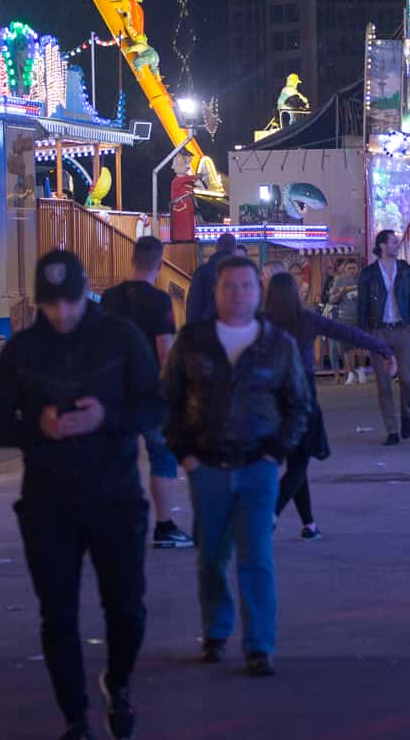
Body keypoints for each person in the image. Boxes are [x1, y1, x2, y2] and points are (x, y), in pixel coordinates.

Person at [0, 250, 162, 740]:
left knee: (127, 608)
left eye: (68, 302)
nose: (61, 313)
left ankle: (119, 681)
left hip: (116, 497)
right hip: (48, 503)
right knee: (58, 613)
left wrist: (105, 418)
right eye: (51, 304)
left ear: (83, 293)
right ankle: (75, 719)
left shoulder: (121, 338)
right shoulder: (22, 350)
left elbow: (153, 406)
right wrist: (37, 428)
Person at [164, 256, 311, 677]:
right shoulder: (192, 342)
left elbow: (299, 404)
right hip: (206, 466)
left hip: (258, 466)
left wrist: (277, 452)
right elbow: (169, 400)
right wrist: (185, 455)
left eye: (246, 286)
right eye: (229, 286)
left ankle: (258, 646)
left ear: (258, 291)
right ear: (216, 291)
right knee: (210, 556)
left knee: (256, 557)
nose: (238, 293)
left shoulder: (276, 345)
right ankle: (215, 633)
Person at [262, 273, 394, 543]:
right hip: (303, 395)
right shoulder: (306, 320)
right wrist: (383, 349)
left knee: (297, 460)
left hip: (272, 395)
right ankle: (270, 514)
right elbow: (349, 333)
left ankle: (309, 524)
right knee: (300, 461)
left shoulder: (262, 324)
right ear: (294, 294)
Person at [99, 235, 195, 551]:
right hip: (150, 390)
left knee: (117, 458)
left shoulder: (109, 299)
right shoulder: (159, 301)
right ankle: (165, 526)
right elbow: (165, 349)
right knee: (161, 457)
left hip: (114, 391)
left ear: (132, 259)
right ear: (159, 262)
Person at [356, 230, 410, 441]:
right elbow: (363, 307)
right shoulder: (368, 274)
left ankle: (406, 415)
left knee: (407, 379)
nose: (397, 244)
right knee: (383, 383)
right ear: (383, 246)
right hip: (379, 331)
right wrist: (362, 337)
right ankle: (392, 430)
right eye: (394, 242)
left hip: (402, 329)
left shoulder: (405, 270)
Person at [184, 232, 237, 326]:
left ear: (217, 248)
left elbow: (193, 306)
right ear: (234, 249)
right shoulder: (241, 272)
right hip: (235, 329)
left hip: (207, 329)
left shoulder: (202, 271)